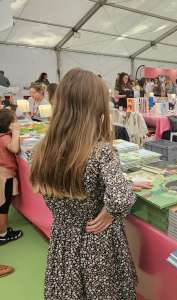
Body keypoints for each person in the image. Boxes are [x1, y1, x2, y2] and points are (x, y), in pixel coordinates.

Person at [30, 68, 151, 299]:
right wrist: (109, 211)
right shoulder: (101, 151)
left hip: (63, 242)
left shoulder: (41, 150)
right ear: (96, 107)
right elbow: (120, 198)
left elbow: (71, 183)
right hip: (98, 246)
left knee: (69, 291)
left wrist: (117, 186)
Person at [0, 109, 23, 245]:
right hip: (4, 176)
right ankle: (3, 234)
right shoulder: (5, 138)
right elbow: (14, 149)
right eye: (15, 121)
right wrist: (16, 132)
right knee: (3, 205)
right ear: (9, 125)